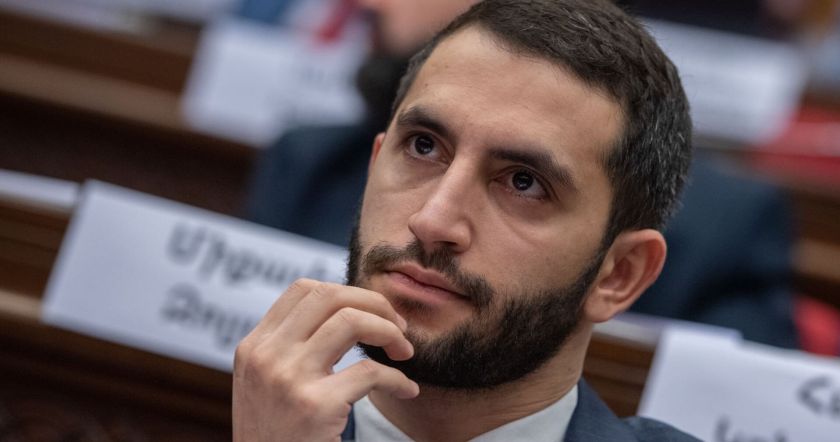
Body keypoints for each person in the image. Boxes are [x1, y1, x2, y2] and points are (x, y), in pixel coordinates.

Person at [233, 0, 700, 440]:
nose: (432, 221)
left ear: (619, 275)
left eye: (523, 182)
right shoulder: (254, 415)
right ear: (374, 165)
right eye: (423, 146)